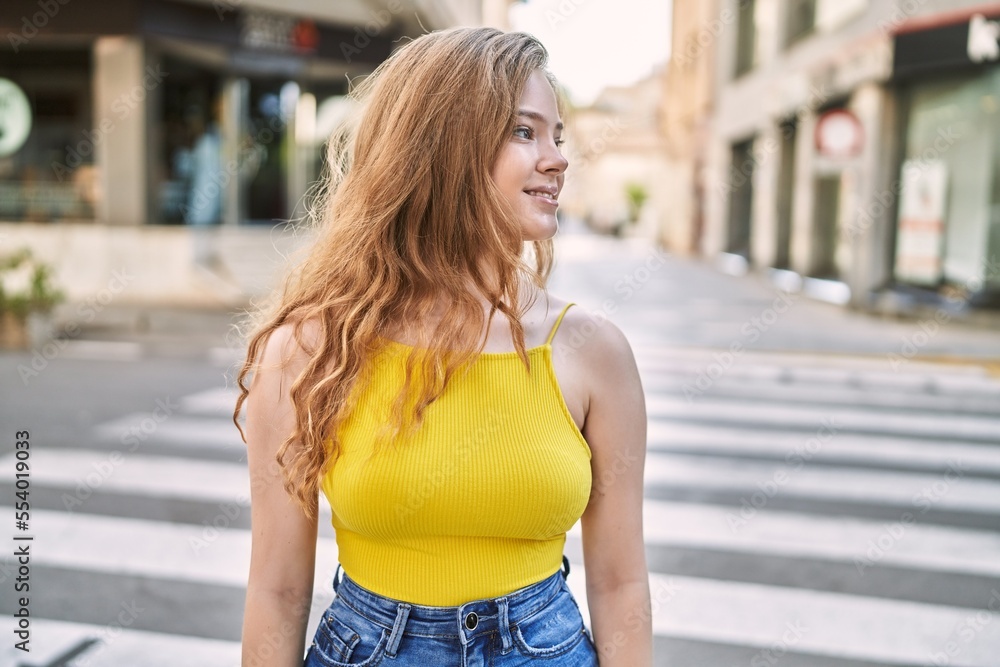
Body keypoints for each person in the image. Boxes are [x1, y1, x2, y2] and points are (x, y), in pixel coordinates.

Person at [234, 27, 651, 667]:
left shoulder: (593, 351)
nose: (558, 158)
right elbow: (278, 589)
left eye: (557, 136)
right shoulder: (310, 351)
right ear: (442, 148)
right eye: (524, 132)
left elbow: (620, 583)